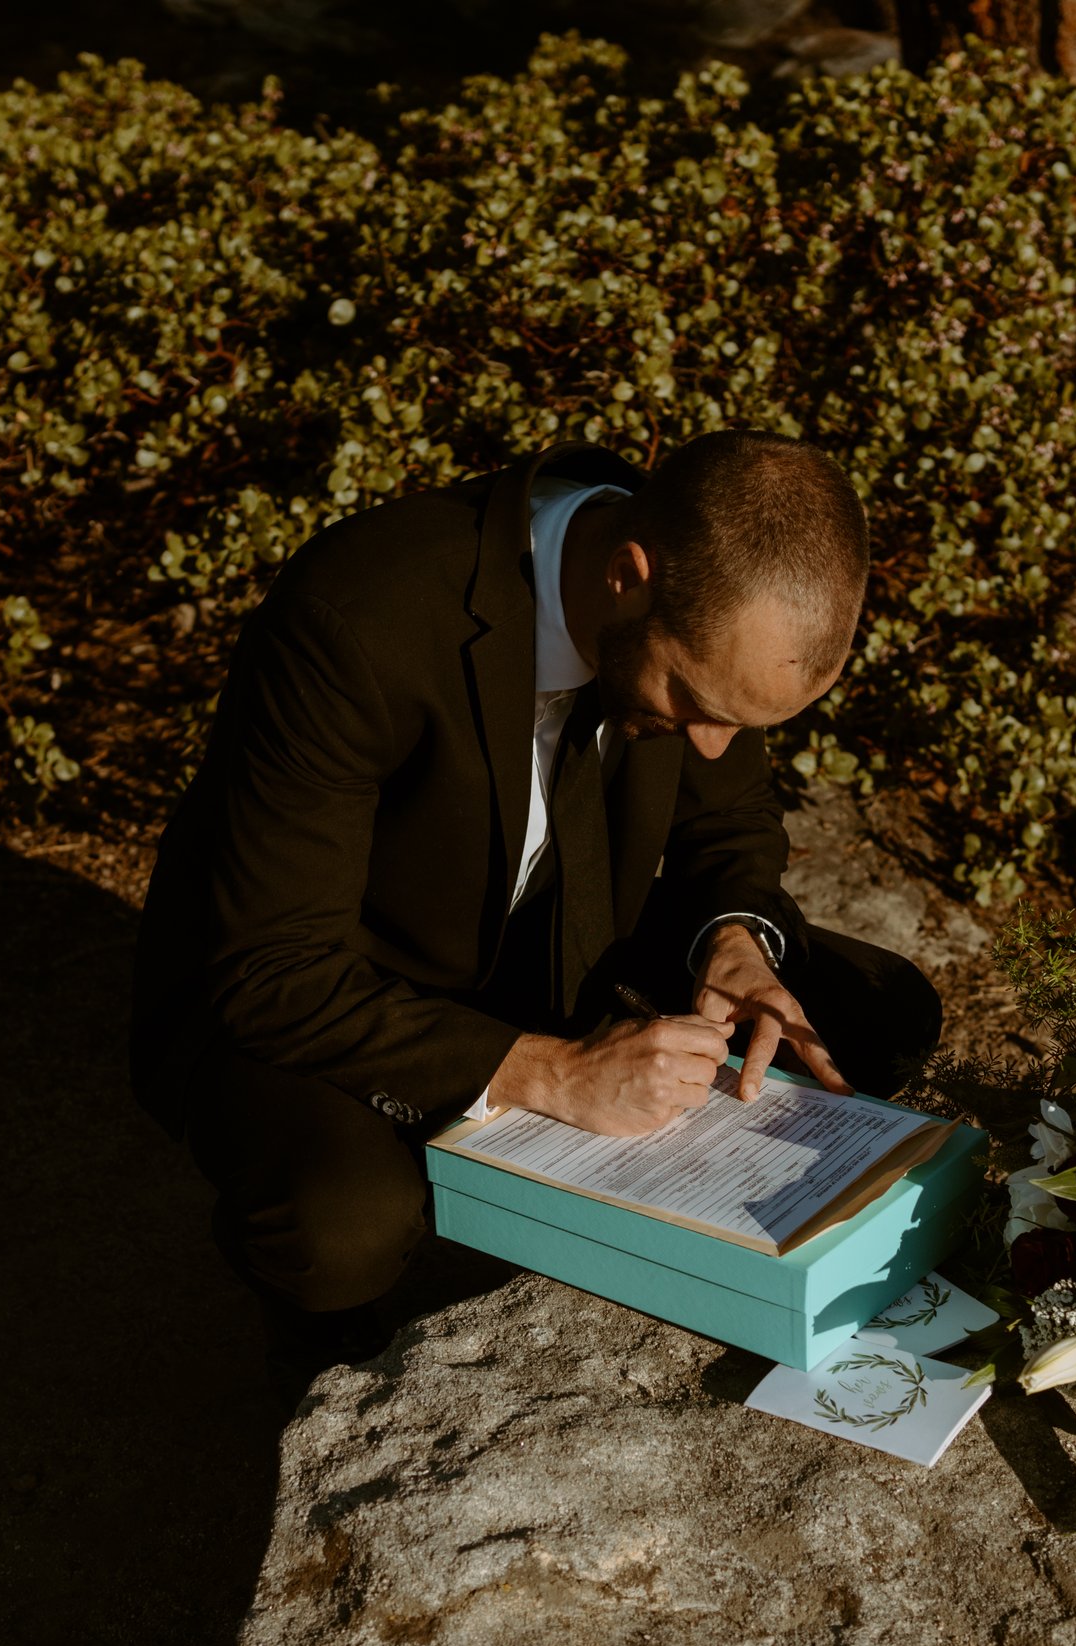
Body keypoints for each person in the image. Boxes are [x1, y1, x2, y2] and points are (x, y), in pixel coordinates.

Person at [129, 430, 943, 1370]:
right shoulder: (354, 620)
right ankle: (323, 1350)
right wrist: (548, 1073)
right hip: (334, 978)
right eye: (697, 703)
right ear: (627, 575)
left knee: (877, 1013)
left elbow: (730, 825)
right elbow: (272, 966)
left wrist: (732, 943)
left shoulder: (704, 607)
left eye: (744, 722)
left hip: (556, 935)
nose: (714, 747)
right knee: (340, 1224)